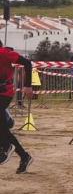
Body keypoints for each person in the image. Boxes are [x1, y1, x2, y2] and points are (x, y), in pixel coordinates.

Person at [0, 40, 34, 173]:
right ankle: (25, 156)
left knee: (2, 128)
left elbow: (27, 62)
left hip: (5, 92)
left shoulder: (3, 52)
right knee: (3, 129)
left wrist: (28, 85)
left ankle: (5, 146)